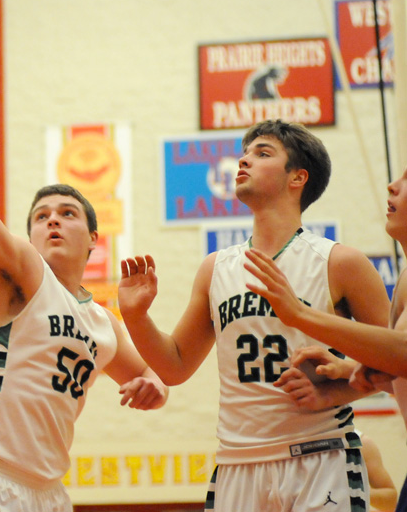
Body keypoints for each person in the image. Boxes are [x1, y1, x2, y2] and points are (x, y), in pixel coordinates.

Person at [0, 53, 168, 511]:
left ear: (93, 239)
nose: (53, 222)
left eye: (67, 214)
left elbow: (149, 376)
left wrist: (155, 388)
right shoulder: (22, 275)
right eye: (42, 217)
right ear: (30, 235)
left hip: (50, 492)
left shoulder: (104, 323)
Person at [118, 119, 391, 512]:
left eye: (262, 154)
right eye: (244, 153)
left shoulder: (339, 262)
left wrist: (338, 388)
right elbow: (174, 367)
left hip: (320, 454)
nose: (243, 161)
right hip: (237, 462)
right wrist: (136, 317)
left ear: (298, 178)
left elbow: (394, 361)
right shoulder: (216, 267)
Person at [244, 163, 407, 512]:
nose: (392, 185)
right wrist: (347, 375)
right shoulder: (405, 280)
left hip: (324, 456)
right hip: (243, 458)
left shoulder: (335, 261)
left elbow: (402, 354)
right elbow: (393, 370)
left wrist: (301, 314)